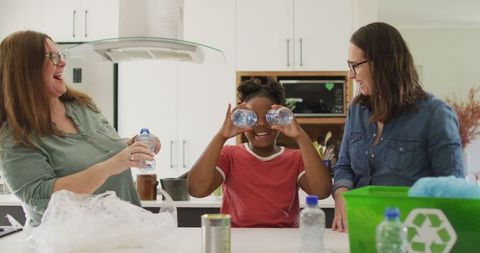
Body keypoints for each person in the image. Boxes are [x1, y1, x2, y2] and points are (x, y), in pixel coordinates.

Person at [0, 31, 160, 225]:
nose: (62, 62)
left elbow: (101, 149)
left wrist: (134, 145)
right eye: (52, 57)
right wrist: (113, 165)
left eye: (60, 55)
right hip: (68, 244)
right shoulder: (15, 136)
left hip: (125, 235)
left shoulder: (82, 106)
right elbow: (42, 198)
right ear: (25, 69)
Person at [332, 22, 464, 232]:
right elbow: (344, 167)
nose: (350, 75)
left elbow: (452, 190)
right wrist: (341, 195)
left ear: (382, 64)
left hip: (412, 234)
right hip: (361, 229)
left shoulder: (435, 114)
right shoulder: (357, 110)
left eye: (355, 65)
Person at [187, 77, 332, 227]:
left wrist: (300, 136)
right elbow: (197, 190)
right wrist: (221, 136)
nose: (261, 124)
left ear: (281, 117)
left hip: (284, 242)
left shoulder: (295, 158)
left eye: (269, 117)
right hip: (238, 242)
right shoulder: (230, 155)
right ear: (241, 119)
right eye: (252, 118)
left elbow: (321, 192)